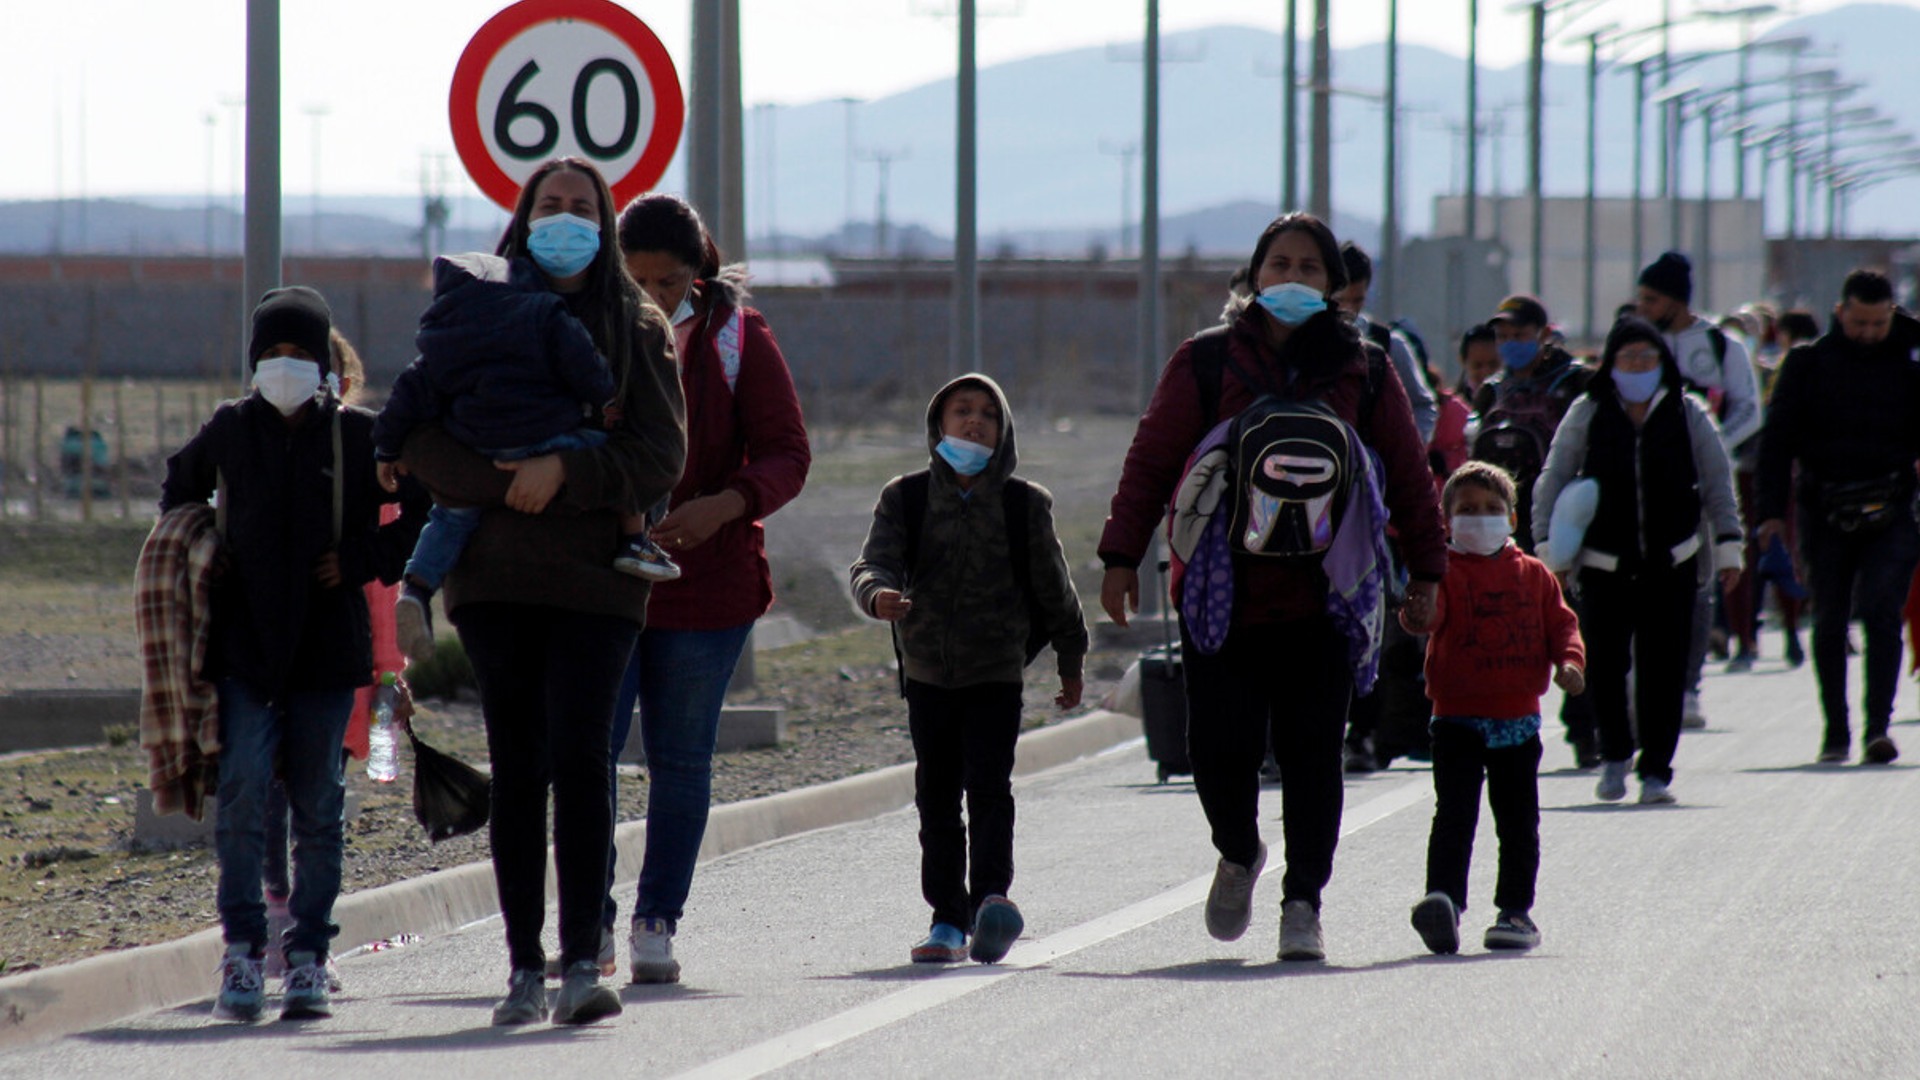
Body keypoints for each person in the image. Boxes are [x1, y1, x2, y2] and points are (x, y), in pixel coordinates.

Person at [1099, 212, 1446, 962]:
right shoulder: (1206, 361)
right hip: (1221, 594)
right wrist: (1121, 554)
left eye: (1309, 268)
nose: (1293, 280)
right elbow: (1152, 458)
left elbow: (1411, 476)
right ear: (1255, 276)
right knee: (1218, 750)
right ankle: (1238, 850)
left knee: (1313, 753)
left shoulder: (1368, 367)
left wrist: (1427, 571)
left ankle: (1303, 904)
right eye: (1279, 265)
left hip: (1329, 597)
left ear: (1334, 284)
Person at [396, 157, 685, 1025]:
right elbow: (421, 434)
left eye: (582, 207)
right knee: (518, 767)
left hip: (597, 580)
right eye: (549, 205)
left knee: (581, 759)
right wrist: (496, 481)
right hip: (493, 580)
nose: (565, 219)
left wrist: (566, 468)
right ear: (521, 220)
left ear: (605, 222)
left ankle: (580, 964)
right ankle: (523, 967)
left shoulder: (634, 324)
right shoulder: (470, 312)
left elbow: (659, 455)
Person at [160, 286, 420, 1022]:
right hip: (245, 650)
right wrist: (208, 549)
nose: (284, 368)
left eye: (299, 355)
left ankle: (307, 955)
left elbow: (422, 510)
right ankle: (243, 952)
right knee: (241, 795)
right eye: (271, 355)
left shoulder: (359, 438)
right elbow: (177, 492)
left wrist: (363, 556)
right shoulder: (231, 431)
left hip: (328, 651)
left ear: (325, 365)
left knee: (318, 809)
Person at [600, 192, 811, 984]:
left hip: (705, 585)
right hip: (605, 582)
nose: (654, 296)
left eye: (669, 281)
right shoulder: (593, 331)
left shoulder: (736, 338)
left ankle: (657, 921)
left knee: (680, 759)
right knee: (590, 757)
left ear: (699, 271)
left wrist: (727, 504)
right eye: (639, 280)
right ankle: (593, 920)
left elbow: (788, 451)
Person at [851, 373, 1088, 964]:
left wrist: (1071, 661)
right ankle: (946, 921)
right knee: (935, 796)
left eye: (987, 413)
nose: (974, 422)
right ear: (939, 424)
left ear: (1003, 431)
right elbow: (871, 564)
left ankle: (990, 903)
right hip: (928, 672)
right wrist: (877, 595)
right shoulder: (903, 497)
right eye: (962, 411)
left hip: (996, 673)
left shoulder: (1023, 503)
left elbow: (1055, 590)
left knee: (987, 789)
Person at [376, 247, 675, 663]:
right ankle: (635, 540)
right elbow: (584, 365)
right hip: (549, 439)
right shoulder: (542, 314)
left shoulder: (441, 337)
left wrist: (386, 447)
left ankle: (417, 588)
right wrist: (603, 395)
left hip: (479, 446)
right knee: (618, 455)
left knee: (448, 517)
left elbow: (407, 397)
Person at [262, 330, 426, 991]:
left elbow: (380, 592)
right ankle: (287, 932)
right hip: (273, 659)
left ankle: (297, 938)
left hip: (335, 661)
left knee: (305, 801)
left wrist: (389, 674)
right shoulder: (249, 452)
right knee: (287, 799)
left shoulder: (368, 470)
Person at [1534, 317, 1743, 805]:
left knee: (1663, 672)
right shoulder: (1588, 412)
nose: (1637, 368)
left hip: (1672, 563)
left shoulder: (1688, 413)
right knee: (1603, 668)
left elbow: (1718, 482)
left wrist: (1730, 544)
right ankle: (1613, 759)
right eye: (1627, 359)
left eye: (1646, 359)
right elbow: (1553, 477)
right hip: (1603, 566)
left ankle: (1656, 771)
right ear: (1610, 363)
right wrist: (1549, 549)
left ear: (1662, 363)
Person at [1408, 460, 1584, 955]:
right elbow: (1425, 615)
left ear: (1511, 518)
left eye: (1491, 509)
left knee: (1518, 821)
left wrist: (1569, 662)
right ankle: (1443, 900)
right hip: (1456, 719)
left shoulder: (1533, 575)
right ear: (1448, 520)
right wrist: (1416, 607)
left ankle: (1515, 912)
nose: (1478, 517)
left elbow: (1562, 626)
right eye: (1466, 510)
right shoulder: (1442, 572)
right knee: (1455, 815)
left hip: (1518, 723)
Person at [1757, 270, 1920, 765]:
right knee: (1829, 618)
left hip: (1892, 506)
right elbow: (1777, 442)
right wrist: (1769, 514)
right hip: (1824, 507)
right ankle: (1836, 730)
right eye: (1858, 322)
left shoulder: (1913, 355)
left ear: (1891, 313)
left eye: (1877, 322)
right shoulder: (1808, 364)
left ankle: (1877, 727)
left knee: (1881, 612)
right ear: (1840, 313)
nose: (1868, 332)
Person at [1471, 294, 1598, 768]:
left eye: (1520, 336)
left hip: (1563, 521)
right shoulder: (1492, 390)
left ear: (1544, 335)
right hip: (1500, 524)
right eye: (1503, 337)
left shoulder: (1576, 384)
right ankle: (1501, 724)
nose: (1510, 345)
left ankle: (1586, 727)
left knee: (1570, 621)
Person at [1635, 252, 1760, 727]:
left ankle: (1687, 686)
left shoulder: (1721, 346)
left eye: (1651, 299)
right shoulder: (1634, 343)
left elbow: (1749, 410)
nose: (1642, 307)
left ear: (1675, 299)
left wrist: (1711, 452)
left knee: (1696, 586)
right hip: (1641, 483)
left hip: (1697, 485)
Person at [1332, 241, 1439, 443]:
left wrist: (1408, 449)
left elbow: (1422, 406)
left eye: (1357, 301)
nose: (1347, 310)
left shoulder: (1389, 345)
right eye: (1339, 300)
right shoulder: (1304, 342)